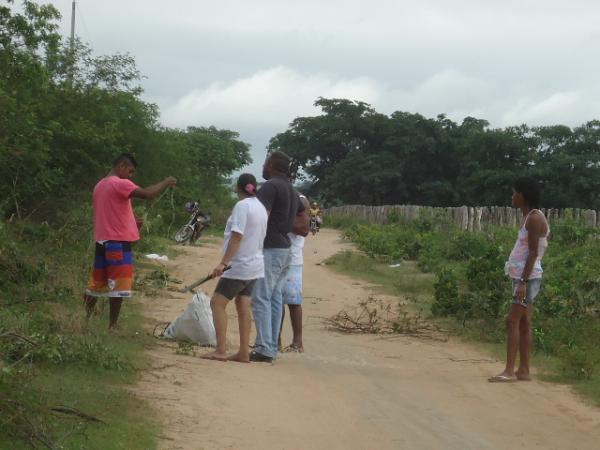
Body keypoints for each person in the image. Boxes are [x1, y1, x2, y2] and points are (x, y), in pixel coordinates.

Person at [84, 154, 177, 328]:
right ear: (121, 166)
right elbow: (148, 194)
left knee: (97, 282)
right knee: (119, 286)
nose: (131, 176)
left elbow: (111, 213)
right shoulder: (120, 183)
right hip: (117, 243)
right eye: (130, 171)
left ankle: (85, 320)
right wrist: (166, 181)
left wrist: (132, 224)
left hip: (102, 240)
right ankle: (113, 325)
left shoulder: (100, 185)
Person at [201, 174, 268, 363]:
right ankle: (243, 352)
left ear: (238, 188)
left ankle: (220, 350)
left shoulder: (242, 206)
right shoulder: (260, 207)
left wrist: (223, 263)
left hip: (240, 265)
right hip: (255, 264)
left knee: (217, 303)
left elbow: (237, 237)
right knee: (243, 304)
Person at [489, 178, 549, 382]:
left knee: (512, 320)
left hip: (528, 278)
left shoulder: (534, 218)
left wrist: (522, 282)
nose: (512, 196)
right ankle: (523, 371)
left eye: (515, 193)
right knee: (524, 322)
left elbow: (533, 253)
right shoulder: (527, 216)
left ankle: (509, 371)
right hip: (523, 276)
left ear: (523, 195)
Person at [250, 151, 305, 363]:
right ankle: (271, 346)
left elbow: (259, 214)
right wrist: (285, 222)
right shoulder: (292, 189)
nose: (263, 166)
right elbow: (302, 212)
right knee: (274, 298)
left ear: (272, 165)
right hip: (285, 248)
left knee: (261, 297)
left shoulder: (271, 186)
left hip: (271, 248)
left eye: (265, 162)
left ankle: (264, 347)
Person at [279, 193, 310, 352]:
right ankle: (275, 341)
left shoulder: (301, 199)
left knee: (293, 301)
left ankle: (297, 343)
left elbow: (304, 229)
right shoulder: (277, 195)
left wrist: (279, 221)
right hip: (275, 256)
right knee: (275, 300)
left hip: (293, 258)